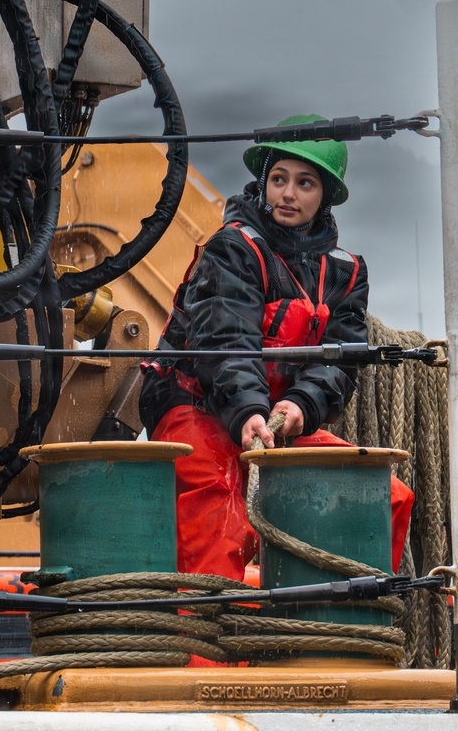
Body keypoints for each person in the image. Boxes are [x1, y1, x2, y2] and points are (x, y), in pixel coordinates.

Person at [138, 115, 414, 581]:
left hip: (279, 422)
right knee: (220, 515)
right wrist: (247, 410)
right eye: (279, 179)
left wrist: (302, 404)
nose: (288, 193)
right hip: (197, 405)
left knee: (383, 498)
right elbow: (225, 342)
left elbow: (342, 358)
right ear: (263, 184)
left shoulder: (347, 273)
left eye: (304, 183)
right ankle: (205, 652)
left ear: (325, 195)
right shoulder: (232, 249)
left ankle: (337, 637)